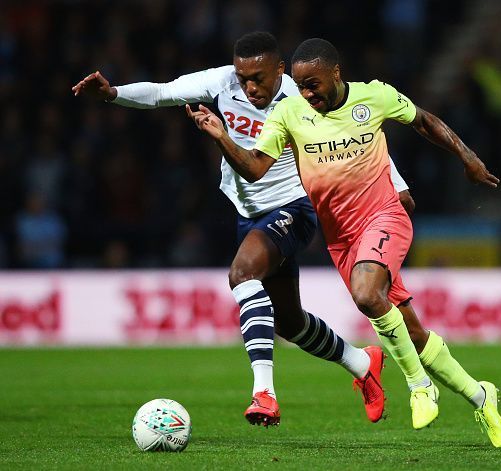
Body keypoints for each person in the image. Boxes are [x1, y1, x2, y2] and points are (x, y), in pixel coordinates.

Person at [72, 32, 407, 427]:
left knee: (241, 273)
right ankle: (362, 362)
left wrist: (398, 186)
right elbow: (164, 92)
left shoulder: (304, 98)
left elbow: (356, 140)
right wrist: (113, 93)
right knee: (290, 323)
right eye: (243, 77)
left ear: (279, 71)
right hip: (248, 213)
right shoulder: (223, 82)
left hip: (294, 208)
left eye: (259, 78)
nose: (250, 87)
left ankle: (263, 393)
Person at [188, 38, 501, 447]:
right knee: (413, 333)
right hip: (343, 240)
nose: (307, 94)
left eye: (314, 85)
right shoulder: (289, 112)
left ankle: (419, 386)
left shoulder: (374, 96)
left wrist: (468, 157)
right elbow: (254, 169)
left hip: (384, 216)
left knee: (365, 293)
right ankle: (482, 397)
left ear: (336, 74)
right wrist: (221, 136)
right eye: (301, 86)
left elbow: (424, 120)